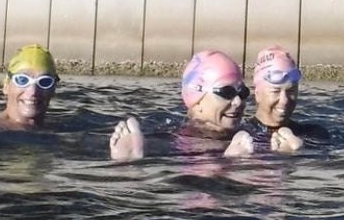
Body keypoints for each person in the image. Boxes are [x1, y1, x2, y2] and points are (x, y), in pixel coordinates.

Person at [109, 50, 254, 161]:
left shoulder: (250, 132)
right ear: (197, 101)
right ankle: (230, 163)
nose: (238, 101)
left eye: (242, 92)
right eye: (226, 92)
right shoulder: (175, 140)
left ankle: (131, 165)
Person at [250, 45, 330, 153]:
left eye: (290, 91)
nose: (284, 100)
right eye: (276, 91)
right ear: (257, 94)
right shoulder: (241, 137)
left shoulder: (315, 134)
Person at [0, 44, 59, 129]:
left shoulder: (55, 128)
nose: (33, 91)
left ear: (54, 89)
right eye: (22, 80)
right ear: (6, 86)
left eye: (44, 81)